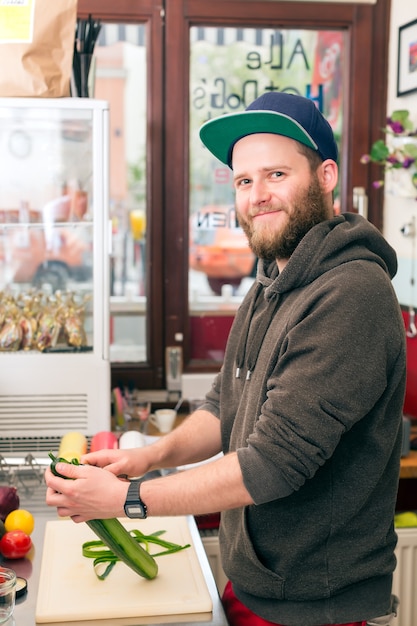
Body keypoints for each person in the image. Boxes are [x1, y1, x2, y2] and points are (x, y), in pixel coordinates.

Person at [45, 92, 406, 626]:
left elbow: (273, 463)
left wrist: (129, 499)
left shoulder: (350, 292)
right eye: (243, 181)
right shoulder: (272, 280)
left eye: (276, 174)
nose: (257, 195)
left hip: (318, 606)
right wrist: (146, 457)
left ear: (326, 175)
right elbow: (223, 406)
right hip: (261, 585)